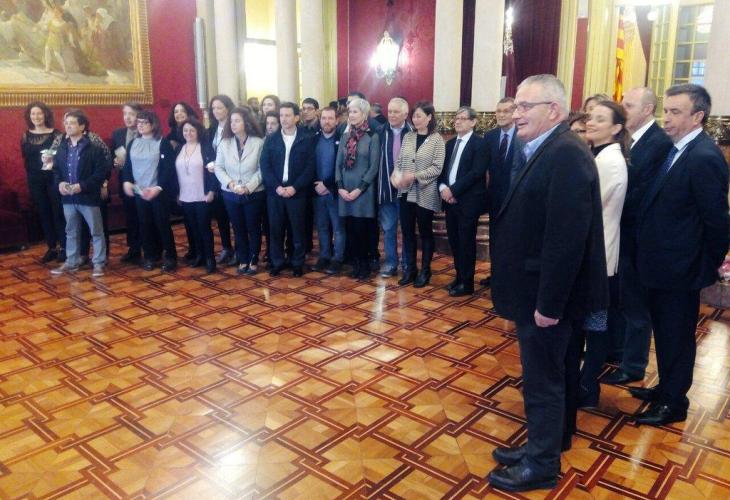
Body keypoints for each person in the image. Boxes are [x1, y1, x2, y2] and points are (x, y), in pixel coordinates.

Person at [488, 75, 608, 492]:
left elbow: (566, 241)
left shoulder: (566, 154)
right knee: (543, 377)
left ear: (553, 110)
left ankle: (541, 466)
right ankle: (541, 447)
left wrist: (549, 305)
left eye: (525, 106)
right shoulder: (549, 148)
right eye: (515, 106)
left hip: (547, 297)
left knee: (544, 382)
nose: (515, 114)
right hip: (536, 290)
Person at [630, 84, 729, 426]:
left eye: (675, 112)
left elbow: (716, 221)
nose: (666, 118)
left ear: (697, 116)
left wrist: (704, 265)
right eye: (666, 110)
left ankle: (674, 403)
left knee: (677, 335)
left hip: (681, 269)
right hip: (663, 265)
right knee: (665, 332)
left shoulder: (704, 156)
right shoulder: (678, 150)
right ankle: (666, 388)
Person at [602, 87, 673, 386]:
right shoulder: (627, 139)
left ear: (647, 110)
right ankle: (615, 350)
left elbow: (642, 191)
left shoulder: (658, 143)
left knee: (635, 306)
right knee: (618, 298)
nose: (623, 109)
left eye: (629, 105)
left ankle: (633, 366)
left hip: (638, 238)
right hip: (620, 232)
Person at [576, 101, 629, 408]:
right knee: (591, 322)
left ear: (616, 128)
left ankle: (588, 386)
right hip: (596, 252)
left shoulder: (609, 161)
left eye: (600, 119)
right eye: (590, 117)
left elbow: (589, 208)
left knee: (595, 325)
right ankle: (584, 382)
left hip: (600, 255)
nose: (591, 122)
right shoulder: (600, 155)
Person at [50, 109, 110, 277]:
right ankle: (71, 261)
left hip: (88, 197)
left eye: (72, 123)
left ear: (82, 126)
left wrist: (81, 186)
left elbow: (100, 174)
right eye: (66, 123)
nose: (68, 126)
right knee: (71, 231)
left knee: (96, 231)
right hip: (68, 198)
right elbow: (56, 170)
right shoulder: (62, 148)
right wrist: (60, 183)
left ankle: (98, 263)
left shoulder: (94, 149)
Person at [391, 101, 445, 288]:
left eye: (419, 116)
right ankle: (410, 269)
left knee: (425, 233)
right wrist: (395, 175)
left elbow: (437, 168)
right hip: (406, 193)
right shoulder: (408, 136)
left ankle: (425, 271)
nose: (415, 119)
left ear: (429, 117)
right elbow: (400, 162)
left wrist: (415, 176)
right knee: (407, 232)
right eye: (413, 116)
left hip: (425, 193)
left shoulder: (437, 140)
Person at [260, 102, 315, 277]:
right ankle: (277, 262)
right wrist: (276, 187)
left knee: (297, 230)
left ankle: (297, 262)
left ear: (296, 118)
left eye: (287, 115)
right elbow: (265, 166)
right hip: (275, 193)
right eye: (281, 115)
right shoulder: (271, 139)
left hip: (297, 192)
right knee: (276, 229)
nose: (283, 119)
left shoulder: (306, 138)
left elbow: (310, 167)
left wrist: (295, 187)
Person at [121, 110, 178, 272]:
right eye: (139, 122)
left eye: (144, 122)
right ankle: (151, 256)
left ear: (153, 124)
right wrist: (127, 181)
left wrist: (158, 188)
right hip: (140, 191)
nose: (140, 125)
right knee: (145, 224)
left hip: (158, 192)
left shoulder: (162, 142)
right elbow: (127, 166)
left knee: (162, 224)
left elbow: (168, 169)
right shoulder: (133, 143)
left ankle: (170, 256)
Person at [439, 106, 486, 297]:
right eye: (456, 118)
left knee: (466, 242)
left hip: (468, 202)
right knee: (455, 241)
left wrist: (453, 190)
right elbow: (443, 171)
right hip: (450, 201)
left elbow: (476, 173)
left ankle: (467, 284)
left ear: (473, 122)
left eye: (462, 118)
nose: (457, 121)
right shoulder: (450, 143)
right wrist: (443, 188)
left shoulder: (479, 143)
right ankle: (459, 277)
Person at [215, 107, 266, 275]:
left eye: (237, 120)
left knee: (253, 227)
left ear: (246, 122)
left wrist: (248, 187)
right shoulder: (224, 142)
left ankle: (253, 259)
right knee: (238, 227)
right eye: (231, 121)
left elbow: (262, 169)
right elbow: (219, 167)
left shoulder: (258, 142)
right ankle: (243, 258)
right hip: (231, 193)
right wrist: (230, 184)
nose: (233, 124)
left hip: (253, 192)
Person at [335, 98, 380, 280]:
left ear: (364, 114)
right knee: (350, 230)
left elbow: (373, 167)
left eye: (355, 112)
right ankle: (355, 264)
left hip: (363, 192)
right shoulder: (345, 136)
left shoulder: (372, 137)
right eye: (350, 112)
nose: (351, 115)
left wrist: (359, 189)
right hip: (345, 191)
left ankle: (365, 265)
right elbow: (338, 164)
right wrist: (340, 187)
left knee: (362, 230)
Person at [480, 97, 522, 288]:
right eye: (498, 111)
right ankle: (495, 274)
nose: (501, 115)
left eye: (506, 111)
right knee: (495, 238)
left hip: (515, 198)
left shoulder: (523, 135)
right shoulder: (490, 136)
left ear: (514, 113)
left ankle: (510, 277)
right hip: (495, 198)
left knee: (513, 239)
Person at [20, 101, 64, 263]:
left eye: (39, 113)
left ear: (45, 114)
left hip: (53, 179)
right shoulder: (26, 136)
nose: (36, 117)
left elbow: (62, 158)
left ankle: (64, 247)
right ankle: (52, 247)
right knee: (44, 213)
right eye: (33, 114)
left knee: (58, 212)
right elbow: (26, 159)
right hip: (35, 181)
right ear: (29, 116)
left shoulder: (56, 135)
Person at [173, 118, 217, 274]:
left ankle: (210, 258)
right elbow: (174, 174)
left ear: (198, 131)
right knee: (192, 228)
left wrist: (212, 191)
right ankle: (200, 255)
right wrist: (177, 193)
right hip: (185, 195)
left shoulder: (205, 148)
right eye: (185, 130)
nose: (188, 133)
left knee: (204, 227)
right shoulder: (179, 148)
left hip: (202, 195)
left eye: (192, 130)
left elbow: (213, 172)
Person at [376, 97, 412, 278]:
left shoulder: (413, 133)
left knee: (406, 230)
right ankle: (391, 263)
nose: (391, 115)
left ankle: (407, 264)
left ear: (405, 114)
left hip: (408, 191)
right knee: (388, 229)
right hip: (386, 190)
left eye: (396, 112)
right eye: (389, 111)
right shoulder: (380, 132)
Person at [311, 107, 344, 274]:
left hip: (335, 191)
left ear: (336, 121)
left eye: (330, 118)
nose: (327, 122)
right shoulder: (313, 139)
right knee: (322, 226)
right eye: (324, 118)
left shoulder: (342, 139)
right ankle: (324, 255)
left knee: (338, 227)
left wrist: (327, 184)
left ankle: (338, 258)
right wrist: (317, 185)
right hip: (317, 191)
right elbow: (308, 164)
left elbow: (342, 166)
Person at [111, 101, 145, 264]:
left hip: (143, 183)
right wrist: (115, 163)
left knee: (145, 216)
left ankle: (151, 249)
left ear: (139, 115)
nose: (127, 117)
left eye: (131, 114)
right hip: (126, 182)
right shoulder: (118, 134)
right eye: (125, 114)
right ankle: (134, 249)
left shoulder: (145, 132)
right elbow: (113, 156)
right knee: (131, 217)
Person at [207, 95, 236, 266]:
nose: (216, 111)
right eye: (213, 108)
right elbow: (210, 150)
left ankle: (240, 249)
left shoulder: (234, 126)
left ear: (228, 108)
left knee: (235, 217)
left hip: (232, 177)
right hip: (216, 178)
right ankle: (226, 247)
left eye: (219, 107)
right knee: (221, 215)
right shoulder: (212, 129)